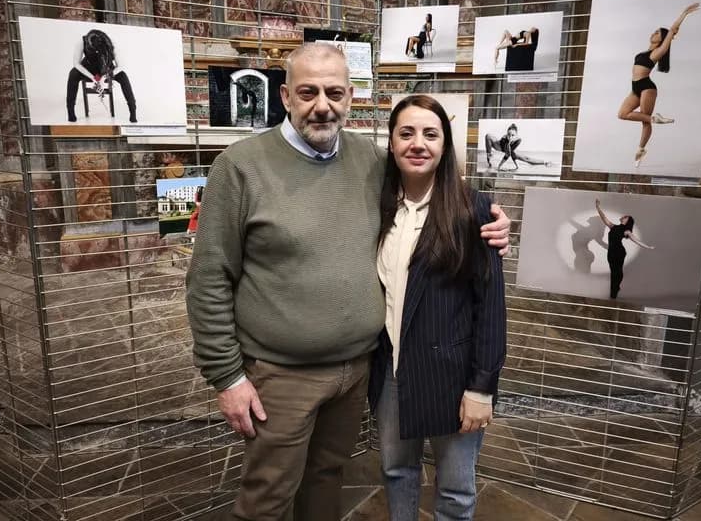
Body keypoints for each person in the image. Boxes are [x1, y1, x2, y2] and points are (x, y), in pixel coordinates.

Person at [186, 43, 511, 521]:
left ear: (351, 97)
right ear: (285, 96)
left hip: (357, 371)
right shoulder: (240, 167)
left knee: (325, 481)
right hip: (282, 373)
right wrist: (227, 377)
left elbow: (431, 187)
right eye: (308, 92)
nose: (322, 105)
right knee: (268, 495)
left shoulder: (370, 160)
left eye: (334, 92)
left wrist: (488, 218)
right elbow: (209, 278)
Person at [369, 95, 507, 520]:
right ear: (391, 143)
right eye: (406, 133)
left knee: (455, 490)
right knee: (396, 471)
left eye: (431, 134)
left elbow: (491, 309)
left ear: (445, 145)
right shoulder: (377, 208)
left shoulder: (474, 209)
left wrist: (482, 388)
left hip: (454, 378)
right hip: (391, 371)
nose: (418, 143)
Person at [617, 3, 699, 166]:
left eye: (657, 32)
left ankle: (640, 149)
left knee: (645, 122)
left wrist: (684, 13)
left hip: (647, 87)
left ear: (661, 38)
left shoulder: (658, 52)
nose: (653, 33)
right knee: (622, 114)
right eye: (654, 31)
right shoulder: (645, 51)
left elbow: (672, 31)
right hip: (635, 88)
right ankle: (656, 121)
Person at [66, 28, 138, 123]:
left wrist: (106, 76)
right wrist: (93, 77)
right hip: (89, 68)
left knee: (123, 76)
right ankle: (71, 111)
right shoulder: (82, 41)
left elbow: (121, 66)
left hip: (106, 68)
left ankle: (133, 110)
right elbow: (76, 63)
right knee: (73, 73)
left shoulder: (112, 44)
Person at [595, 198, 654, 299]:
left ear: (627, 221)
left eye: (626, 217)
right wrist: (598, 207)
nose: (623, 216)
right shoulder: (613, 226)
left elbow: (636, 240)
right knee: (614, 271)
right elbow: (604, 217)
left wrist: (648, 247)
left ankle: (613, 293)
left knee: (616, 272)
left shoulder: (627, 231)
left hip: (619, 252)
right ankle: (615, 289)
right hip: (611, 253)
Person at [483, 123, 552, 171]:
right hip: (500, 146)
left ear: (516, 135)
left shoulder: (518, 140)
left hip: (510, 150)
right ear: (507, 133)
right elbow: (507, 153)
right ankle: (489, 157)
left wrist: (500, 166)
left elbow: (508, 154)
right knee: (488, 135)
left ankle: (544, 162)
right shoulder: (505, 138)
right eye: (508, 134)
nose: (510, 137)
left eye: (513, 135)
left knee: (527, 159)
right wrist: (498, 166)